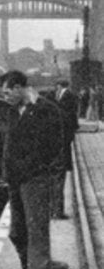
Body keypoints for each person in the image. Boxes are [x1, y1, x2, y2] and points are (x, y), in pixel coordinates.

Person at [0, 70, 64, 269]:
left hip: (35, 177)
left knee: (36, 227)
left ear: (19, 88)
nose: (5, 96)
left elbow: (55, 144)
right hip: (15, 178)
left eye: (8, 91)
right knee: (17, 230)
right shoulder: (13, 111)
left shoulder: (46, 110)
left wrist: (37, 165)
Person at [50, 79, 79, 219]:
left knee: (57, 178)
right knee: (58, 178)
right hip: (60, 144)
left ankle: (55, 211)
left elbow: (69, 115)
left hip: (61, 142)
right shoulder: (62, 97)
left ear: (59, 85)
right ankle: (56, 211)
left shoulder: (68, 96)